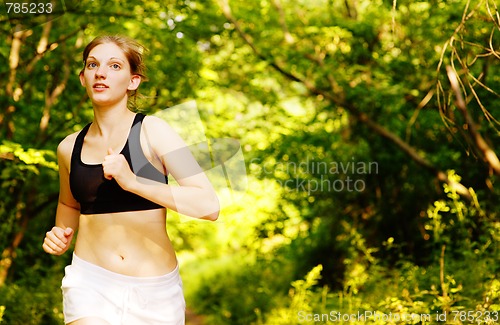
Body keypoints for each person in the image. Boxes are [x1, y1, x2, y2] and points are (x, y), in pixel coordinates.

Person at [42, 34, 220, 325]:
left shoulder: (153, 132)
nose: (101, 72)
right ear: (83, 78)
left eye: (114, 66)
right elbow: (69, 205)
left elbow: (208, 205)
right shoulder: (68, 147)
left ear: (133, 81)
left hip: (155, 293)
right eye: (92, 65)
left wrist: (133, 182)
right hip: (90, 283)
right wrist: (58, 235)